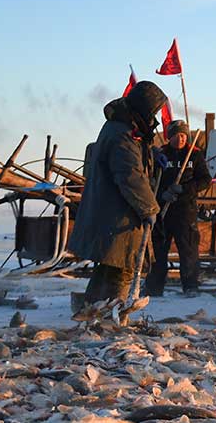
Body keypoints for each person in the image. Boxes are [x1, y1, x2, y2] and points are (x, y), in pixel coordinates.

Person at [69, 81, 166, 307]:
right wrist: (150, 208)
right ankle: (110, 313)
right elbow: (130, 175)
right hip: (118, 215)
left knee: (109, 266)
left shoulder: (122, 128)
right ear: (143, 108)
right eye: (154, 111)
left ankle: (93, 307)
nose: (155, 118)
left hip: (113, 213)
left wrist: (152, 151)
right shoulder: (122, 135)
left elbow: (132, 157)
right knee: (123, 265)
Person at [144, 120, 211, 298]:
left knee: (188, 251)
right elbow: (150, 180)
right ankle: (154, 287)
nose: (181, 139)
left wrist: (184, 189)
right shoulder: (161, 155)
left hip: (185, 211)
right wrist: (161, 194)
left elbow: (205, 180)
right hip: (163, 211)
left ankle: (190, 286)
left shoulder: (194, 155)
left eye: (183, 135)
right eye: (177, 135)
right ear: (170, 136)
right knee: (158, 251)